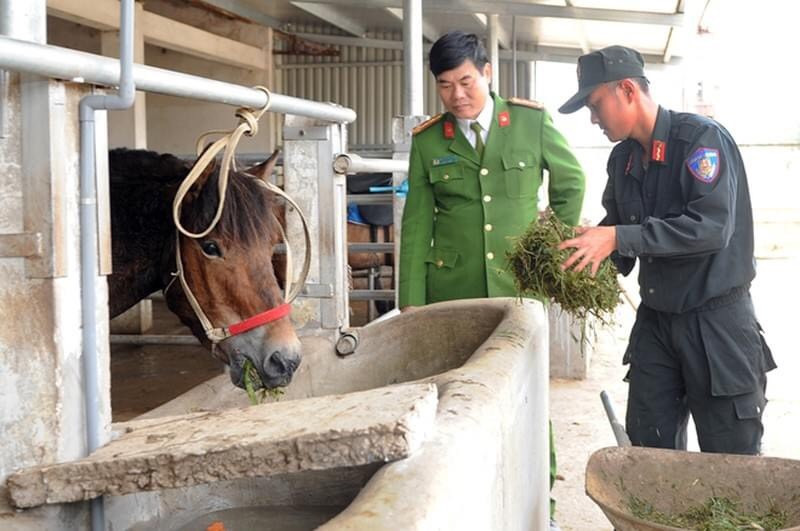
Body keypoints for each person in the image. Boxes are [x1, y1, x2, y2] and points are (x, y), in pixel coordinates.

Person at [398, 31, 586, 531]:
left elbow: (571, 182)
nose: (457, 94)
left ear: (487, 72)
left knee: (527, 398)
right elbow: (416, 223)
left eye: (465, 81)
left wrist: (553, 245)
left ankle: (540, 510)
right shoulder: (427, 141)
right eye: (445, 85)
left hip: (519, 288)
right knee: (452, 402)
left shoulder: (529, 121)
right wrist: (410, 303)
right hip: (451, 294)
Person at [557, 45, 776, 455]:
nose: (593, 119)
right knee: (649, 449)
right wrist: (580, 246)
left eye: (595, 104)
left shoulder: (700, 141)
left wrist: (618, 237)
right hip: (656, 324)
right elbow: (618, 240)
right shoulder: (622, 159)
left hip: (716, 324)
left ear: (626, 90)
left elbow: (712, 228)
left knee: (730, 457)